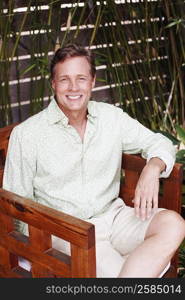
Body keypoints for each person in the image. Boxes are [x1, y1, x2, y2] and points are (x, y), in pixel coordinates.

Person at [3, 44, 185, 278]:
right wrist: (38, 247)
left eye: (81, 78)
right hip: (68, 232)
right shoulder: (27, 135)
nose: (73, 87)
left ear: (92, 82)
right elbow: (15, 204)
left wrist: (152, 167)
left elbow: (160, 142)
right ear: (53, 84)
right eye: (64, 79)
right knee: (122, 274)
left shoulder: (112, 118)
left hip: (115, 217)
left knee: (174, 223)